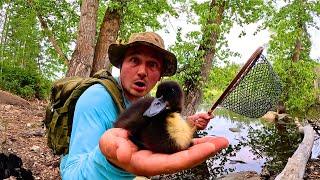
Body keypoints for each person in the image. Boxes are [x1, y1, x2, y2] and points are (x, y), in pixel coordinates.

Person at [60, 32, 229, 179]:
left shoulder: (147, 101)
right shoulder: (96, 99)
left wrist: (188, 123)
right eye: (134, 60)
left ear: (160, 75)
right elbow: (72, 173)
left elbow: (154, 121)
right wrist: (114, 164)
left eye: (152, 64)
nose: (142, 71)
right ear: (120, 66)